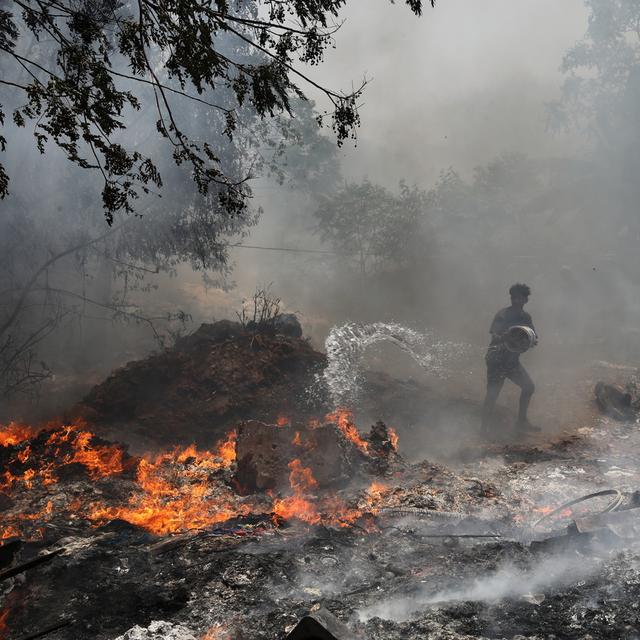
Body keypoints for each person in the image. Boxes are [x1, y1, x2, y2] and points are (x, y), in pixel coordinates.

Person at [480, 283, 540, 434]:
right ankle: (483, 428)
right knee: (493, 393)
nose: (516, 300)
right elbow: (494, 334)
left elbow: (533, 335)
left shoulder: (525, 317)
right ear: (511, 298)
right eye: (514, 297)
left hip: (512, 361)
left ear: (526, 300)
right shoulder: (503, 314)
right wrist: (503, 337)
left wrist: (533, 341)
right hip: (496, 360)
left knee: (529, 387)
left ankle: (521, 422)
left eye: (520, 298)